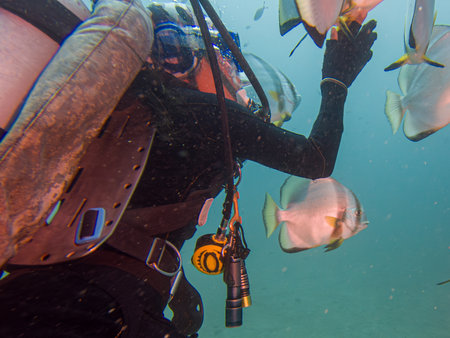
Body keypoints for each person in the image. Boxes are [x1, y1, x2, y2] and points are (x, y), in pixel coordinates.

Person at [0, 0, 377, 337]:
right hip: (98, 308)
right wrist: (336, 77)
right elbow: (316, 160)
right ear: (184, 55)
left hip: (32, 294)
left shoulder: (124, 106)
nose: (232, 70)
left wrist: (177, 291)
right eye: (220, 56)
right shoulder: (206, 114)